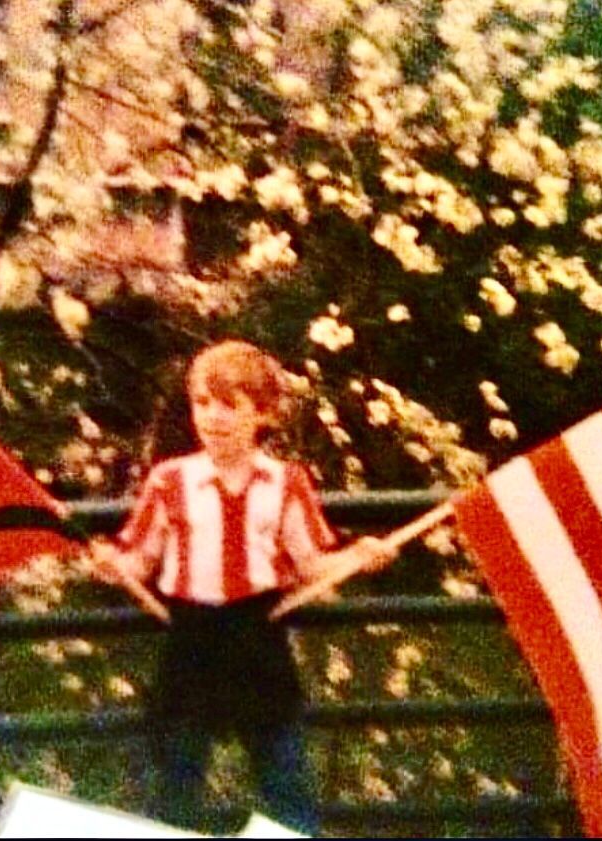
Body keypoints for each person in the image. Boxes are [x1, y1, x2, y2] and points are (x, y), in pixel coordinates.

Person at [90, 340, 394, 835]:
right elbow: (139, 559)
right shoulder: (169, 481)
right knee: (174, 785)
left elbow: (313, 562)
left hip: (257, 637)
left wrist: (361, 556)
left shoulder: (286, 482)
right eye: (202, 404)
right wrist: (109, 564)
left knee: (285, 783)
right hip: (189, 640)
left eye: (230, 406)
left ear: (264, 415)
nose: (214, 418)